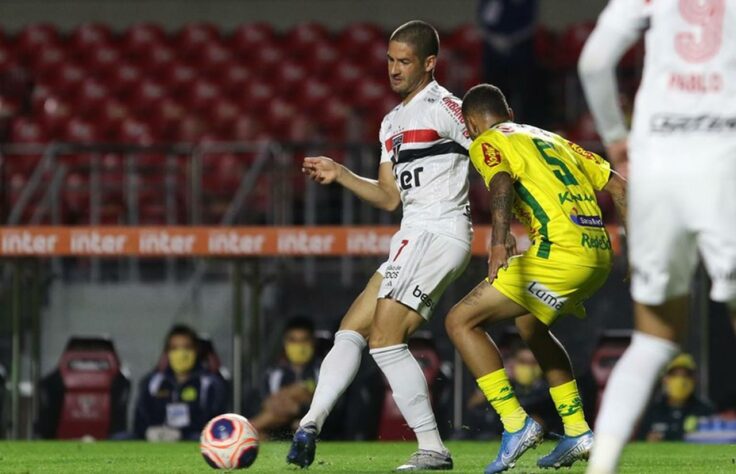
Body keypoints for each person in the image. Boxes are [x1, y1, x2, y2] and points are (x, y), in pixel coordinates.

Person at [288, 20, 473, 471]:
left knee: (386, 341)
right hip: (411, 232)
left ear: (429, 63)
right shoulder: (391, 122)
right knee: (352, 330)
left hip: (439, 230)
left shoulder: (448, 107)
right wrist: (342, 175)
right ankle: (309, 425)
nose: (393, 69)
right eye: (389, 60)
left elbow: (497, 156)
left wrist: (511, 221)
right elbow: (391, 196)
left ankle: (432, 448)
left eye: (404, 61)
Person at [577, 2, 736, 472]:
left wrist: (614, 136)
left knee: (653, 340)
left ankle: (601, 466)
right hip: (725, 160)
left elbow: (594, 61)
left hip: (657, 162)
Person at [444, 83, 627, 473]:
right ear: (508, 110)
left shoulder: (486, 141)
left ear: (471, 123)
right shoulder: (553, 139)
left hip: (559, 254)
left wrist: (498, 240)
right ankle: (577, 430)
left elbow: (501, 182)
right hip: (598, 252)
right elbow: (621, 187)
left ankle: (516, 423)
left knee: (460, 321)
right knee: (531, 325)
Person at [133, 325, 228, 441]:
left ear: (196, 350)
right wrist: (149, 431)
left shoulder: (210, 384)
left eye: (186, 347)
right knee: (121, 438)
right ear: (167, 352)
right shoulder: (152, 382)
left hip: (195, 439)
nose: (181, 353)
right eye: (175, 348)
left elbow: (215, 422)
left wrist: (182, 434)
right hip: (156, 438)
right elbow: (140, 419)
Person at [466, 341, 559, 438]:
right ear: (512, 363)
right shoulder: (504, 385)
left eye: (533, 363)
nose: (529, 368)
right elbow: (473, 406)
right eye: (523, 362)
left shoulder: (550, 390)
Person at [249, 316, 320, 439]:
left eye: (304, 340)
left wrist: (299, 408)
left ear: (312, 342)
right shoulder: (273, 374)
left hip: (318, 429)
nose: (299, 346)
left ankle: (245, 429)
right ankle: (248, 429)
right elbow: (267, 404)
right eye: (293, 340)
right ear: (285, 342)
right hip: (279, 431)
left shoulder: (323, 370)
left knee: (299, 391)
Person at [638, 353, 714, 442]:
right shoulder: (652, 412)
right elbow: (638, 440)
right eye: (675, 375)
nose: (680, 380)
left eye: (686, 375)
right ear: (665, 379)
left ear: (694, 379)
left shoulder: (706, 410)